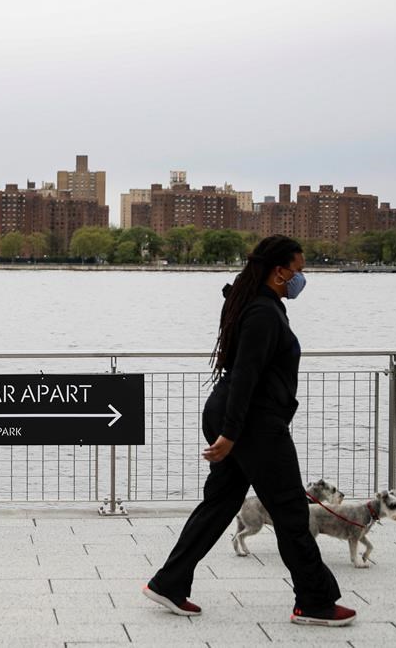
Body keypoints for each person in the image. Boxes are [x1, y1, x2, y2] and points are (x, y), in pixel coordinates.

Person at [142, 234, 356, 627]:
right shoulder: (262, 312)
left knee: (220, 504)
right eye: (298, 270)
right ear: (279, 272)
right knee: (291, 511)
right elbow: (245, 375)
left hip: (240, 419)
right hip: (253, 425)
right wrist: (231, 433)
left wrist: (230, 430)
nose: (301, 278)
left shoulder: (257, 303)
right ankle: (314, 602)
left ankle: (168, 583)